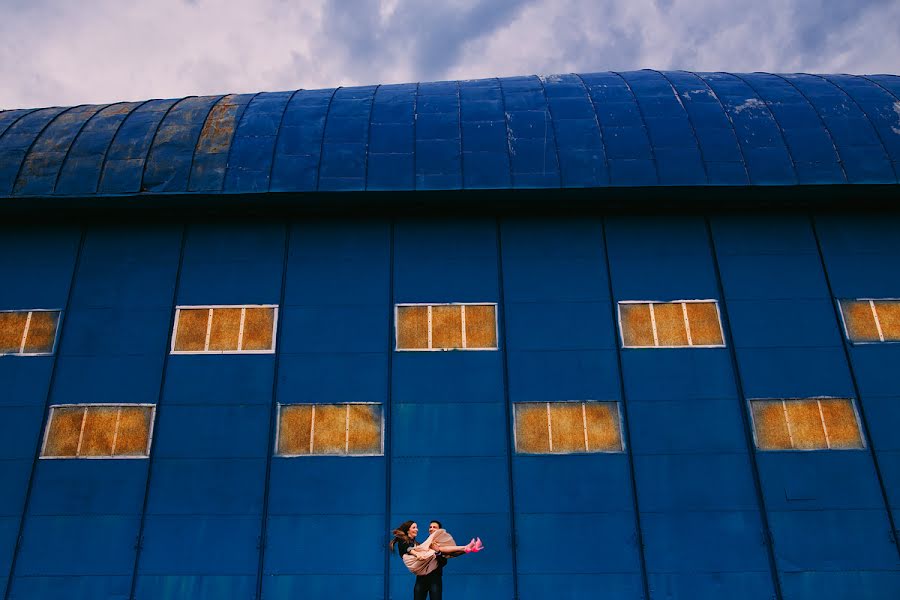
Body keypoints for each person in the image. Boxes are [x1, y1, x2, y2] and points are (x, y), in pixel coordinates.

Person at [389, 520, 484, 600]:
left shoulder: (431, 545)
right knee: (440, 549)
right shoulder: (423, 545)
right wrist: (418, 553)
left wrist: (438, 552)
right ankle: (466, 548)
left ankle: (467, 548)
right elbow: (407, 548)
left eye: (434, 527)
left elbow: (445, 560)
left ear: (439, 531)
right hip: (421, 578)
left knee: (443, 550)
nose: (431, 528)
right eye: (430, 527)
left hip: (435, 578)